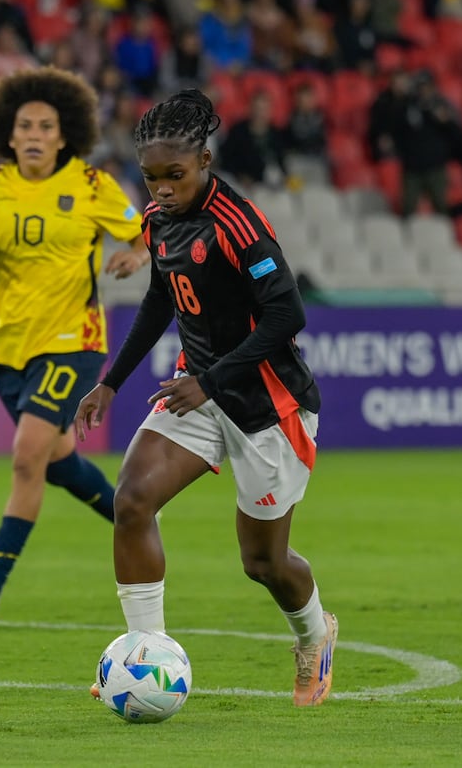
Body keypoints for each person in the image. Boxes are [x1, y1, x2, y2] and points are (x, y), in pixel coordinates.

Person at [74, 89, 336, 707]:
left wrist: (213, 381)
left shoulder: (238, 224)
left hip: (268, 406)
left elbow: (286, 314)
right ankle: (145, 659)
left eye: (175, 176)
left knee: (263, 564)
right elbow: (161, 298)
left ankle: (314, 634)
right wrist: (111, 380)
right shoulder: (159, 219)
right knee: (132, 500)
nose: (161, 189)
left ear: (206, 161)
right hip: (199, 391)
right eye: (151, 177)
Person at [0, 67, 150, 624]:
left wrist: (137, 254)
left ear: (64, 135)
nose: (34, 133)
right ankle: (134, 514)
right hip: (7, 350)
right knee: (56, 463)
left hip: (73, 342)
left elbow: (146, 231)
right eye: (24, 125)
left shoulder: (92, 185)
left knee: (27, 455)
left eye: (45, 126)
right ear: (8, 134)